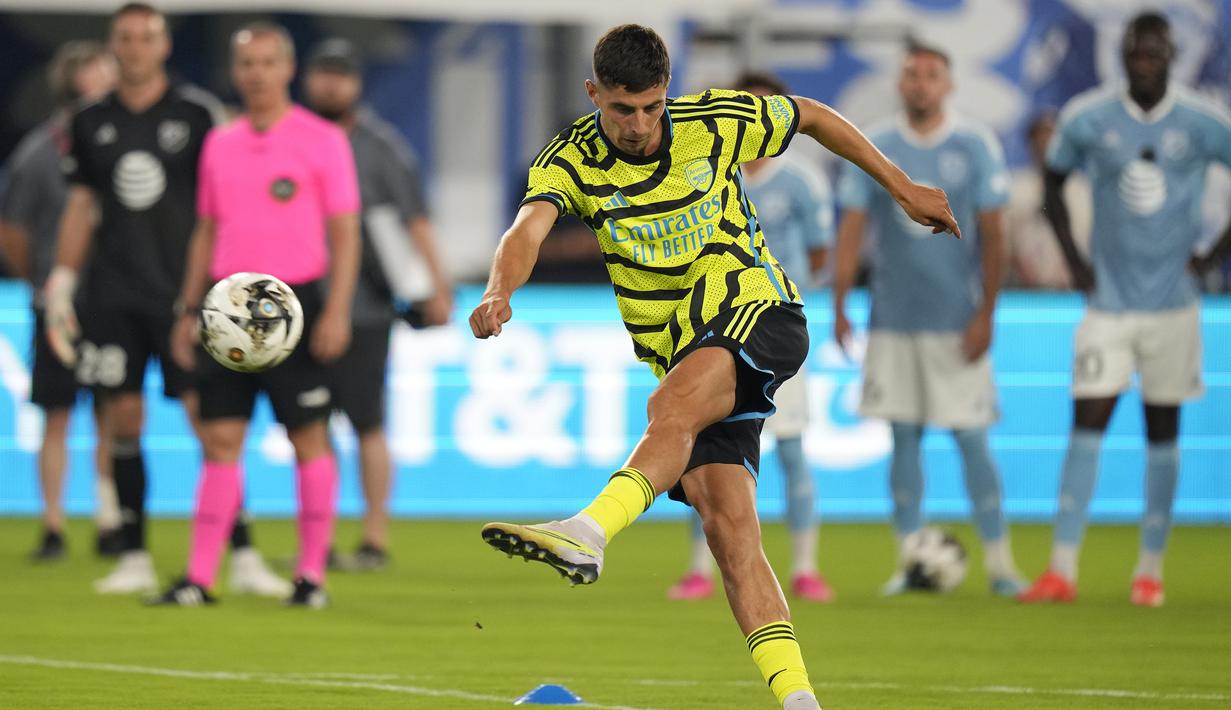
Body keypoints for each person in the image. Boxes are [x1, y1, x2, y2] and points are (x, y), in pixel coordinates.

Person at [471, 25, 957, 710]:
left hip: (758, 311)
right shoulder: (571, 160)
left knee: (668, 410)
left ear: (665, 91)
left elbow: (812, 116)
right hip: (683, 345)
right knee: (729, 530)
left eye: (649, 106)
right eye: (621, 109)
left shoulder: (715, 120)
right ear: (593, 95)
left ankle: (587, 530)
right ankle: (799, 702)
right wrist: (499, 290)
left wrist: (901, 187)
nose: (639, 125)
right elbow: (527, 229)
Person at [43, 3, 285, 596]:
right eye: (124, 38)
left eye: (145, 37)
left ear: (163, 46)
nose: (135, 48)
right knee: (122, 417)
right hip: (112, 293)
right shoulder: (89, 118)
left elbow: (227, 196)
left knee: (213, 425)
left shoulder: (198, 113)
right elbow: (82, 204)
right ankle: (133, 555)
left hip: (190, 297)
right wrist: (63, 278)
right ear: (113, 46)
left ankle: (244, 553)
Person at [1018, 13, 1231, 608]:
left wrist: (1212, 255)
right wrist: (1075, 261)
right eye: (1135, 53)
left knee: (1163, 432)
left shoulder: (1203, 121)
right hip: (1107, 303)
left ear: (1170, 55)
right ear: (1123, 57)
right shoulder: (1089, 117)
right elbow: (1053, 180)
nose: (1144, 62)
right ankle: (1061, 569)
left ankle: (1150, 572)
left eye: (1153, 53)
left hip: (1174, 308)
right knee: (1088, 422)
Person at [152, 22, 361, 608]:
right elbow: (206, 230)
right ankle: (200, 578)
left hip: (297, 305)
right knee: (220, 439)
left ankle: (311, 577)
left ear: (287, 69)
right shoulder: (220, 142)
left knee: (309, 436)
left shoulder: (322, 139)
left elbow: (345, 234)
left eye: (268, 62)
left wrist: (337, 311)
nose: (257, 74)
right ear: (236, 72)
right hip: (225, 307)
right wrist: (185, 310)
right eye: (247, 64)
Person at [832, 43, 1027, 597]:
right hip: (892, 321)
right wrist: (842, 303)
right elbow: (852, 228)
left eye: (931, 75)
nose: (920, 84)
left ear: (949, 84)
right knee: (904, 442)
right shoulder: (878, 143)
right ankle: (908, 562)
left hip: (954, 321)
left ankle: (1002, 565)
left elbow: (995, 233)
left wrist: (987, 311)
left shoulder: (974, 144)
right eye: (912, 74)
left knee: (971, 440)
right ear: (900, 83)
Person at [668, 71, 835, 604]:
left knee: (790, 451)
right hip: (715, 336)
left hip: (777, 333)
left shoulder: (802, 179)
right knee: (706, 451)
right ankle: (700, 569)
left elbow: (818, 254)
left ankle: (806, 568)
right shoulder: (704, 171)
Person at [303, 38, 452, 571]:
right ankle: (316, 539)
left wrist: (438, 286)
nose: (330, 84)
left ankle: (373, 537)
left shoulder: (380, 146)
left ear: (356, 84)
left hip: (364, 307)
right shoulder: (294, 139)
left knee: (366, 422)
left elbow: (415, 219)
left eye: (339, 75)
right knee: (310, 426)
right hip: (297, 301)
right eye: (323, 73)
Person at [0, 41, 118, 562]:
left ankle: (110, 516)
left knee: (111, 412)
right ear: (78, 85)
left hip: (113, 296)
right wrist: (41, 282)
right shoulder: (43, 151)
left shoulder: (118, 141)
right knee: (61, 413)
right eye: (100, 75)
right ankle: (54, 523)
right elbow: (11, 232)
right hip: (63, 299)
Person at [1002, 111, 1093, 289]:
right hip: (1023, 290)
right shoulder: (1014, 187)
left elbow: (1090, 240)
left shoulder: (1082, 189)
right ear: (1030, 144)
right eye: (1039, 138)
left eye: (1050, 136)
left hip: (1071, 288)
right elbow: (1003, 240)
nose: (1044, 144)